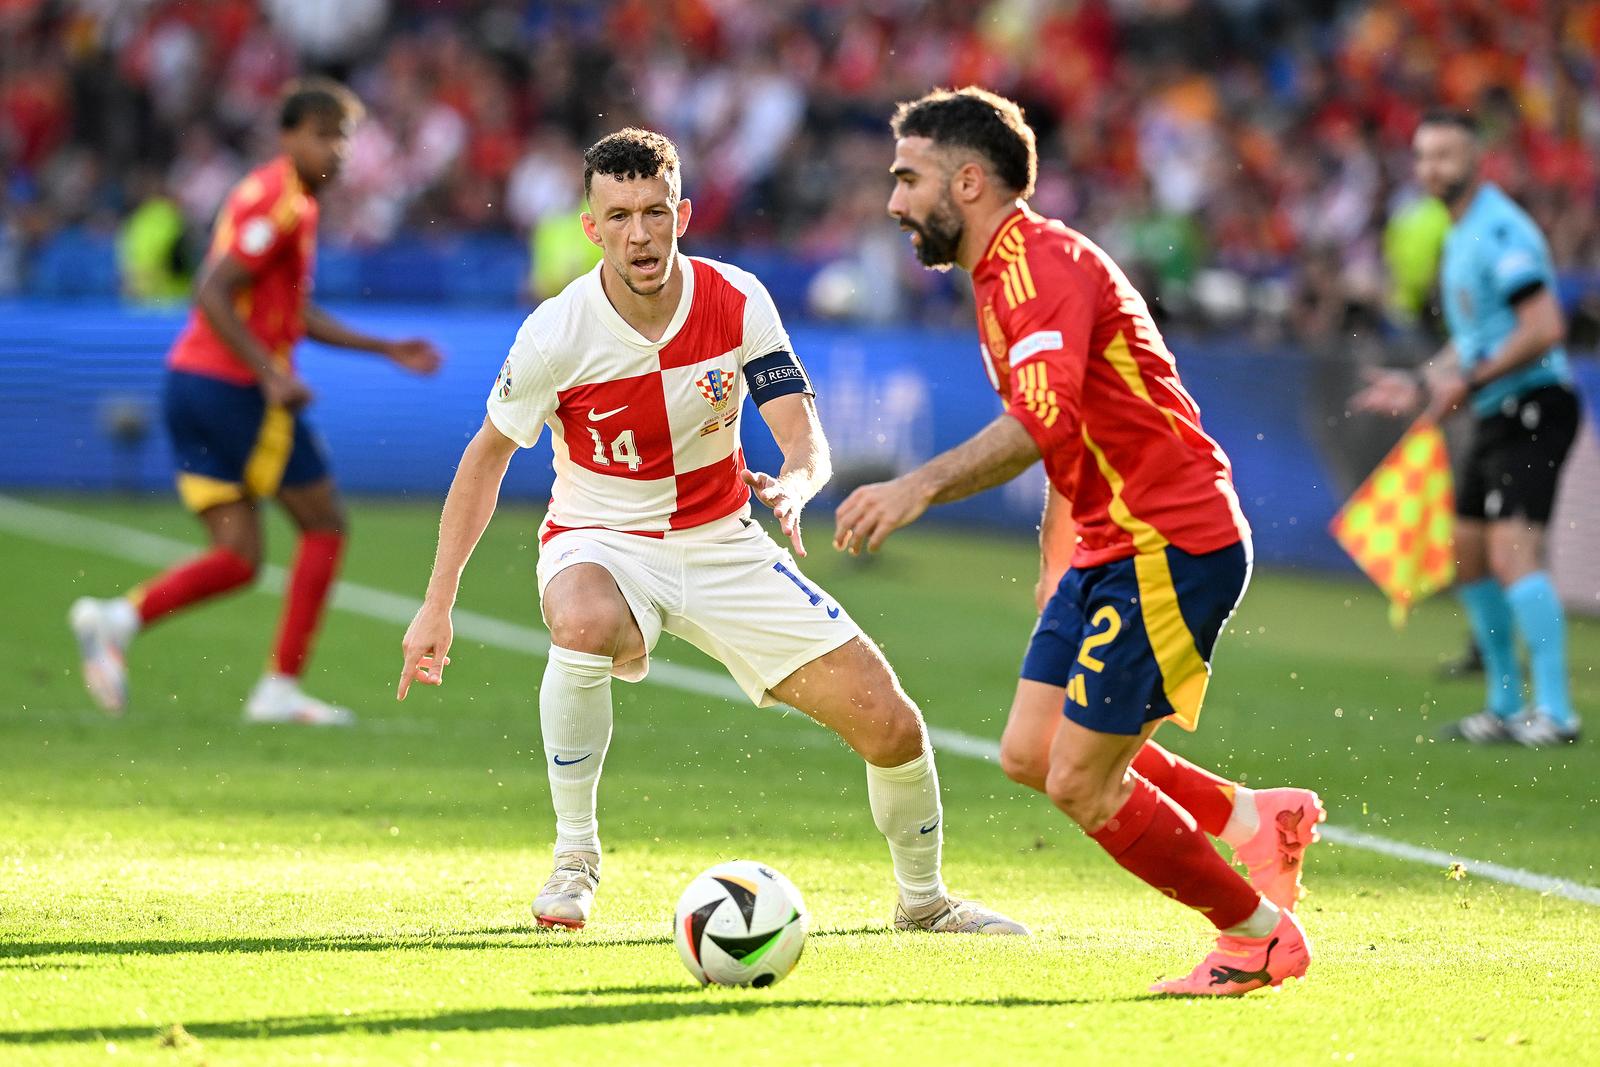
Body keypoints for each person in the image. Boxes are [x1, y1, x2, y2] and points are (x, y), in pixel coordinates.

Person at [395, 128, 1026, 937]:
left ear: (682, 213)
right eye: (618, 215)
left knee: (892, 722)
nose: (639, 233)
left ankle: (925, 901)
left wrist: (798, 483)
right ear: (591, 227)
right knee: (584, 619)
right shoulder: (556, 333)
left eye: (654, 212)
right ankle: (575, 857)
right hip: (601, 536)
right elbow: (483, 463)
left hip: (725, 541)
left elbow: (804, 437)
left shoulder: (737, 299)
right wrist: (437, 603)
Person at [835, 87, 1324, 996]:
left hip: (1170, 539)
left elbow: (1038, 418)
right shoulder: (995, 276)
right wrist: (1060, 556)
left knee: (1083, 784)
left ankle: (1256, 936)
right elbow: (1070, 434)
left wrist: (916, 485)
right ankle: (1260, 821)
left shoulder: (1042, 267)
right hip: (1109, 543)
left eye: (908, 178)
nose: (894, 200)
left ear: (969, 181)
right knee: (1031, 753)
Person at [70, 78, 442, 726]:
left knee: (239, 557)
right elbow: (211, 292)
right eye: (325, 135)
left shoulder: (270, 195)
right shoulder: (284, 203)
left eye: (345, 138)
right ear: (290, 136)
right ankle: (279, 688)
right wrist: (269, 373)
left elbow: (284, 309)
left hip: (191, 382)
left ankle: (116, 620)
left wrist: (381, 347)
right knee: (325, 523)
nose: (339, 151)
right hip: (231, 389)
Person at [1354, 111, 1581, 747]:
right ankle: (1505, 706)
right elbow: (1475, 341)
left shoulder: (1501, 229)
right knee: (1469, 554)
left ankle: (1557, 712)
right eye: (1424, 156)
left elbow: (1543, 329)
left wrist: (1470, 381)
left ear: (1475, 159)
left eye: (1446, 156)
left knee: (1513, 554)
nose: (1433, 169)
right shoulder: (1457, 235)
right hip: (1496, 407)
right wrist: (1421, 383)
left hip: (1535, 404)